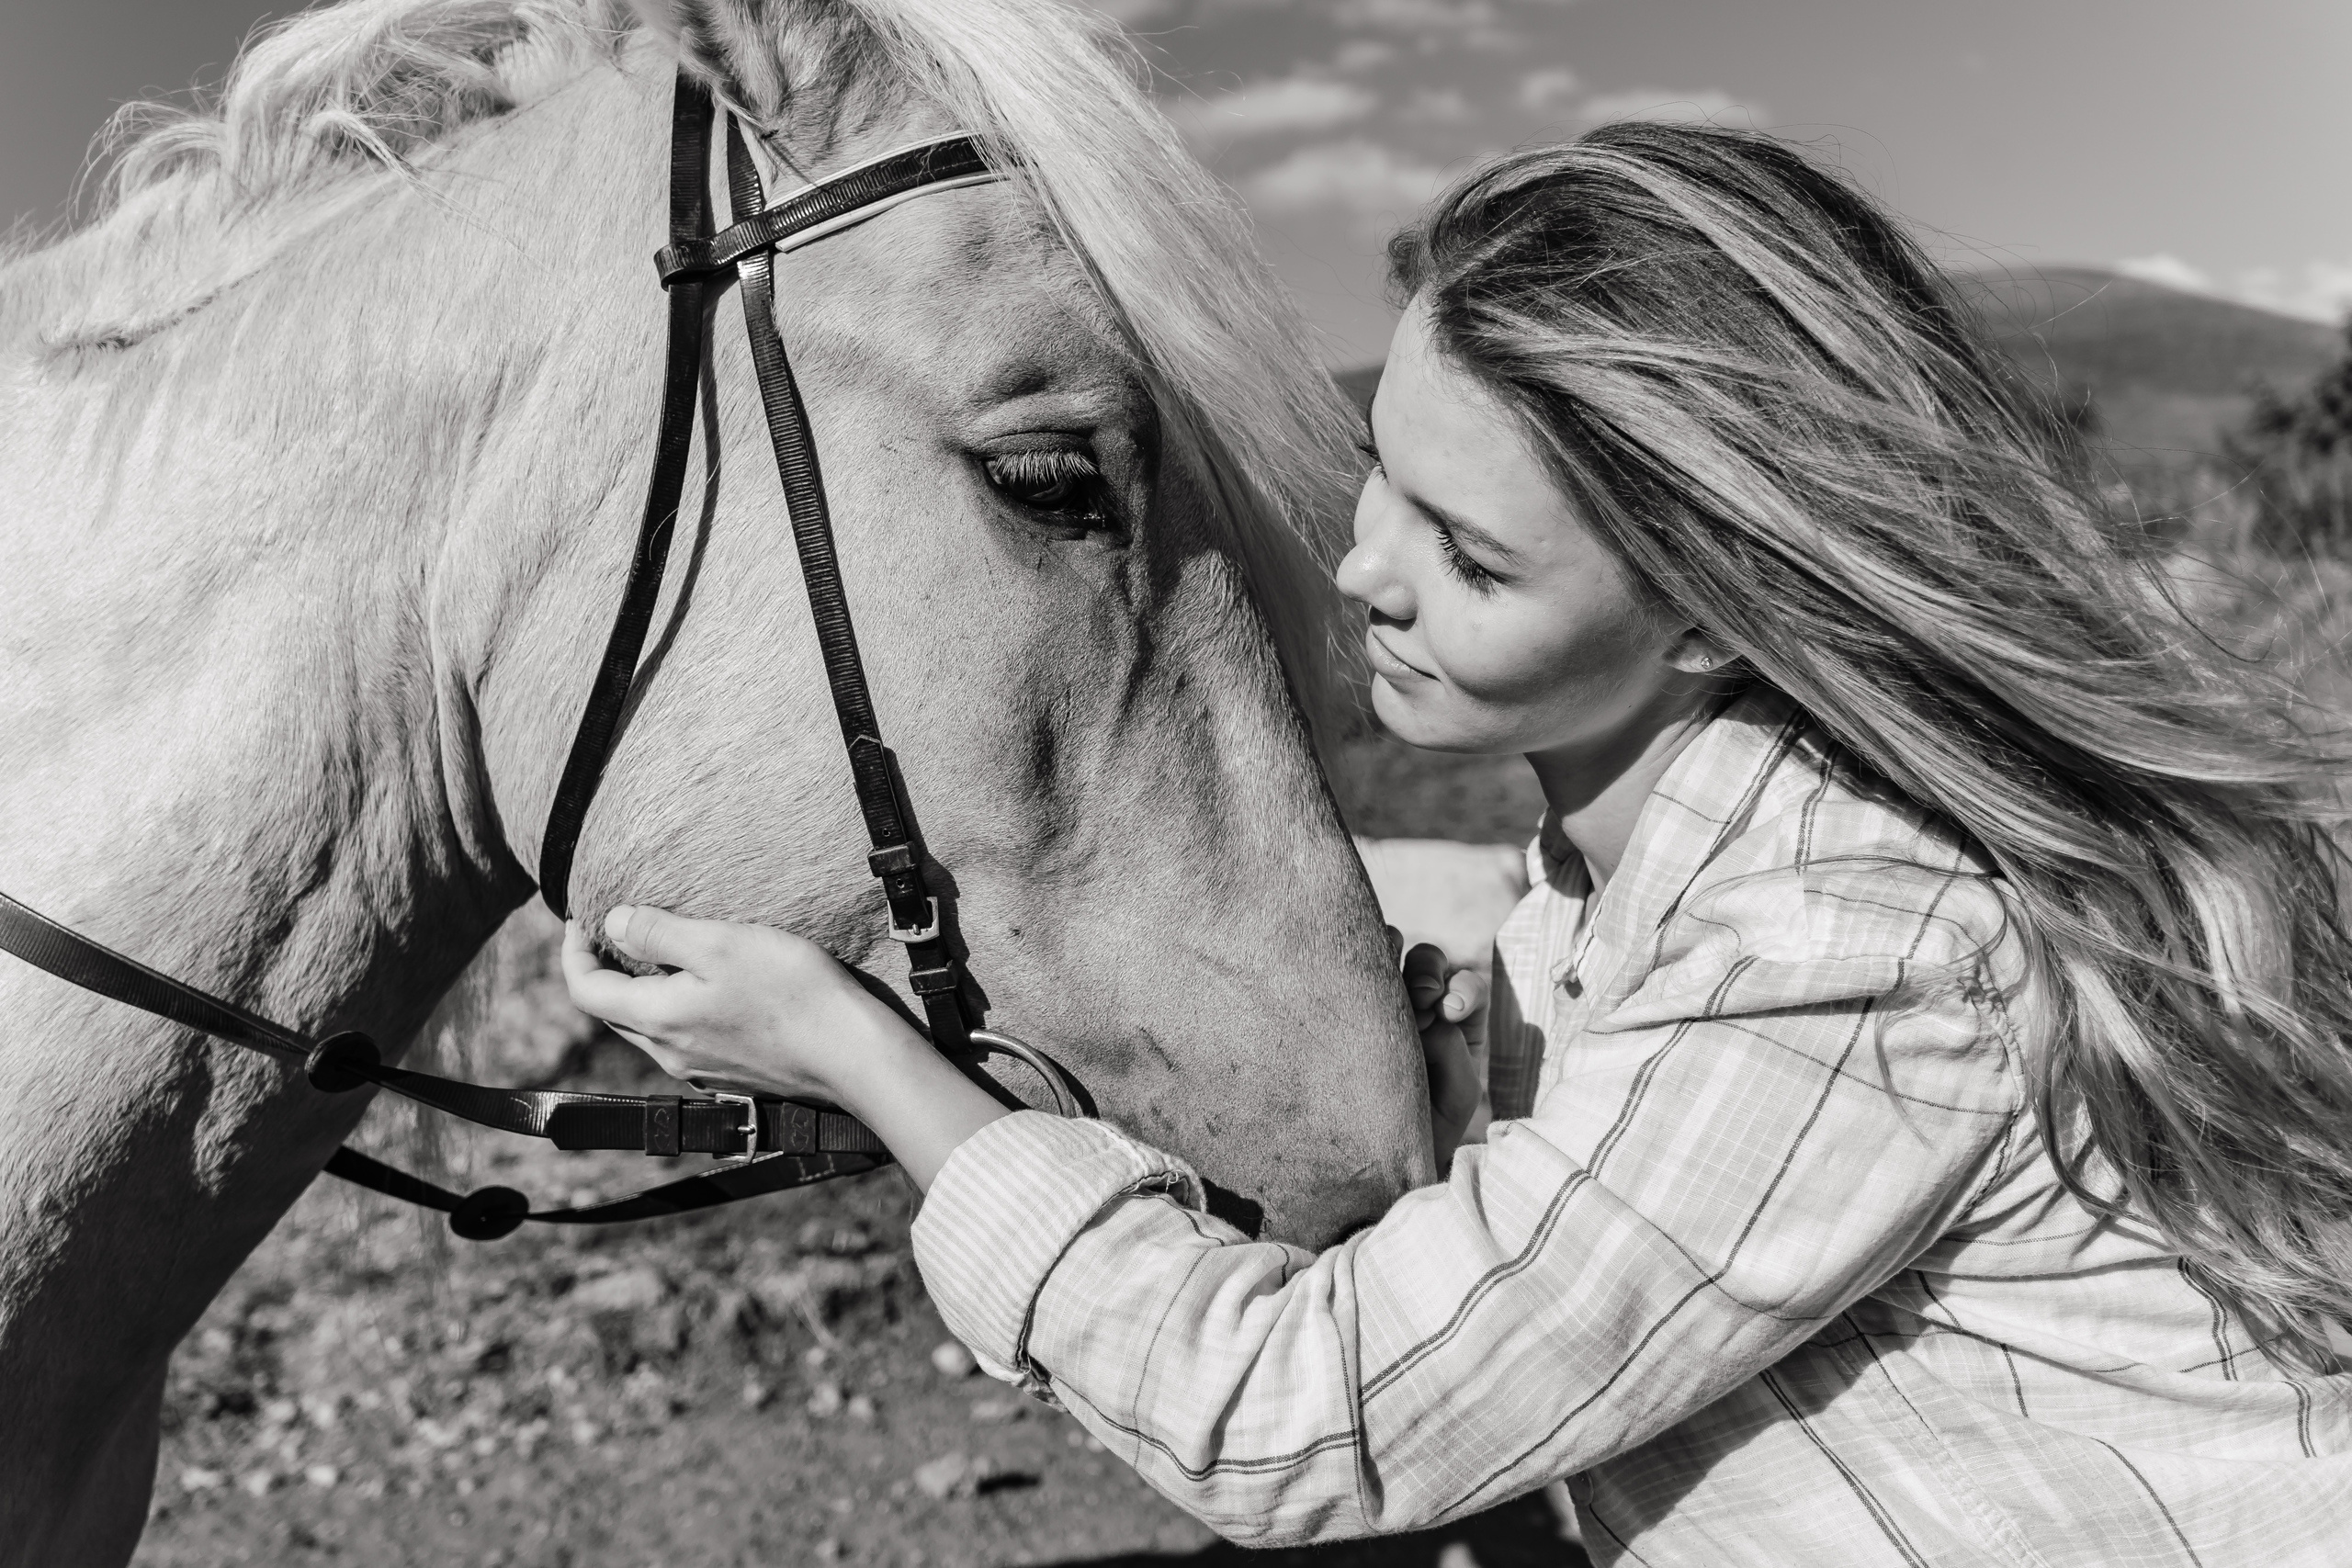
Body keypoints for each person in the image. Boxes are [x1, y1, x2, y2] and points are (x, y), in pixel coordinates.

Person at [562, 123, 2352, 1563]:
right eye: (1383, 475)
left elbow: (1306, 1424)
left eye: (1472, 558)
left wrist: (859, 1057)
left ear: (1715, 607)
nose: (1365, 573)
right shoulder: (1614, 893)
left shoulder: (1843, 945)